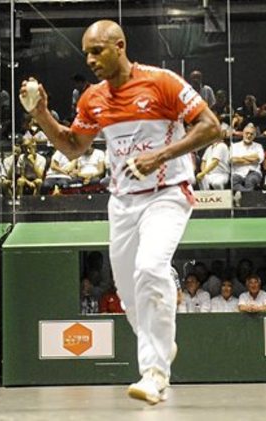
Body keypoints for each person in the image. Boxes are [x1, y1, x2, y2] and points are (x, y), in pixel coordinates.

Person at [20, 20, 219, 405]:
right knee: (128, 294)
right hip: (123, 203)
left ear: (120, 46)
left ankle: (155, 374)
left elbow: (211, 127)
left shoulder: (162, 82)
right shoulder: (92, 98)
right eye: (87, 53)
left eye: (97, 51)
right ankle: (161, 343)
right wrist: (42, 114)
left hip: (167, 193)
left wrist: (160, 155)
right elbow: (73, 147)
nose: (90, 60)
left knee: (150, 268)